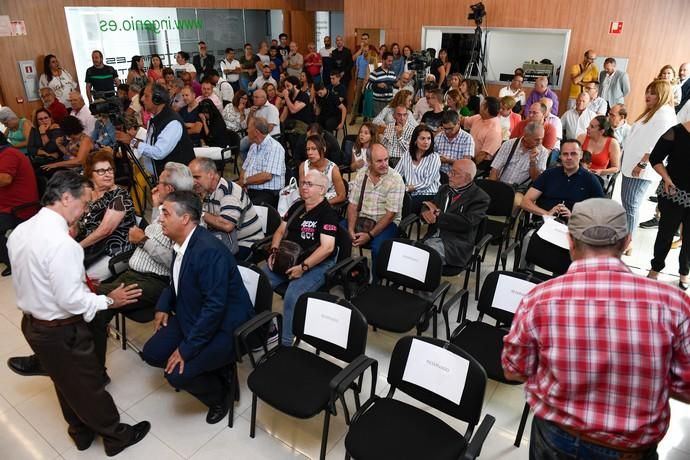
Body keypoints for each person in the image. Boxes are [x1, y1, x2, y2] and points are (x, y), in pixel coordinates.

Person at [502, 197, 690, 459]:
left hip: (556, 435)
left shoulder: (539, 298)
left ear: (569, 241)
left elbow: (514, 370)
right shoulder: (675, 304)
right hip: (629, 449)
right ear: (626, 243)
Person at [7, 170, 150, 456]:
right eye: (83, 204)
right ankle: (116, 437)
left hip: (33, 323)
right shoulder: (63, 245)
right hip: (61, 329)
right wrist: (109, 301)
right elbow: (72, 301)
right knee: (89, 385)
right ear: (65, 197)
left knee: (63, 381)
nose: (84, 211)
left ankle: (80, 433)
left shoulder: (21, 230)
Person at [141, 190, 253, 424]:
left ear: (184, 219)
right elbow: (176, 280)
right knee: (151, 353)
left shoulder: (209, 252)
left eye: (165, 213)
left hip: (223, 327)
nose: (160, 218)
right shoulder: (180, 243)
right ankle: (212, 369)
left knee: (175, 374)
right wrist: (163, 305)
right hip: (192, 314)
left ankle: (222, 395)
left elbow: (214, 309)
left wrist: (186, 349)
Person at [265, 170, 339, 346]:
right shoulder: (297, 206)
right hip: (288, 258)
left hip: (317, 264)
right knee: (260, 281)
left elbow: (327, 248)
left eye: (309, 184)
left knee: (292, 294)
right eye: (303, 183)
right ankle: (263, 328)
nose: (304, 187)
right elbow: (281, 231)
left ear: (322, 190)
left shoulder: (327, 213)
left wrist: (303, 267)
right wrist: (274, 251)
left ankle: (286, 343)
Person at [620, 80, 677, 252]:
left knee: (631, 205)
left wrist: (642, 163)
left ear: (662, 95)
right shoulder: (655, 112)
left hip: (640, 168)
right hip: (632, 165)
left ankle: (628, 242)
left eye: (652, 93)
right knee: (628, 204)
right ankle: (627, 238)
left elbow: (656, 144)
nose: (647, 95)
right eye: (647, 91)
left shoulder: (664, 114)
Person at [77, 150, 136, 281]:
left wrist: (76, 247)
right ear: (90, 175)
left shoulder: (120, 196)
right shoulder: (89, 194)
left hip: (113, 252)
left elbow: (105, 231)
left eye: (110, 170)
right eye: (101, 171)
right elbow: (76, 220)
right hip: (90, 248)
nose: (108, 174)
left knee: (81, 281)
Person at [115, 83, 195, 178]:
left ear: (157, 99)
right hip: (162, 178)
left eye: (146, 96)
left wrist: (132, 141)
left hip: (177, 180)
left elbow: (158, 152)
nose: (142, 99)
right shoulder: (154, 119)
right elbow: (150, 145)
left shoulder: (172, 122)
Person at [420, 159, 489, 267]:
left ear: (467, 178)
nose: (449, 175)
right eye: (450, 171)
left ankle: (425, 283)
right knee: (408, 252)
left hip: (455, 245)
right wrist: (426, 211)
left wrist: (438, 214)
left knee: (424, 257)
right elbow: (429, 204)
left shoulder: (480, 198)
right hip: (431, 237)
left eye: (454, 173)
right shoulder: (444, 189)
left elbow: (466, 223)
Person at [190, 157, 264, 257]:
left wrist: (200, 213)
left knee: (204, 260)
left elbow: (227, 225)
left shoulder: (229, 192)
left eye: (197, 177)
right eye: (191, 178)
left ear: (211, 175)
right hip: (224, 239)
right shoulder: (206, 191)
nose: (193, 182)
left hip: (245, 243)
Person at [346, 143, 405, 267]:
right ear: (369, 162)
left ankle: (375, 281)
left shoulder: (396, 179)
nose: (384, 164)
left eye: (386, 159)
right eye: (379, 161)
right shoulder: (362, 174)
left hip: (386, 222)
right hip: (363, 219)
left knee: (379, 249)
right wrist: (350, 229)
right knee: (338, 234)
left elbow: (390, 215)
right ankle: (347, 273)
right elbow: (352, 205)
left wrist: (369, 235)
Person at [648, 120, 690, 289]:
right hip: (673, 192)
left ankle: (684, 272)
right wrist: (666, 178)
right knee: (666, 234)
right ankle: (655, 268)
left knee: (689, 238)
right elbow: (655, 157)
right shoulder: (677, 131)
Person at [521, 139, 605, 219]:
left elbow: (601, 212)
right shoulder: (548, 174)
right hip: (543, 224)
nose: (569, 158)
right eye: (565, 154)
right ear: (560, 156)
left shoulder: (591, 180)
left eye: (573, 154)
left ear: (581, 155)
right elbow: (525, 201)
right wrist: (547, 214)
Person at [0, 133, 39, 277]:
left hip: (20, 207)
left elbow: (5, 179)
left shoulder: (9, 154)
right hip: (6, 204)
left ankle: (14, 264)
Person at [489, 122, 549, 207]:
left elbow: (537, 180)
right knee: (486, 196)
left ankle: (511, 220)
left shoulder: (543, 152)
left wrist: (533, 162)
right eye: (537, 139)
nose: (540, 142)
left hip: (520, 189)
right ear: (526, 136)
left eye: (541, 139)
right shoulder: (509, 144)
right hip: (501, 184)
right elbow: (495, 170)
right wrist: (491, 187)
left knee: (516, 203)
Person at [239, 116, 285, 207]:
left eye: (248, 128)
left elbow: (266, 176)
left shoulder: (275, 147)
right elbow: (244, 168)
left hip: (268, 192)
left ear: (256, 132)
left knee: (246, 210)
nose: (247, 131)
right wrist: (243, 183)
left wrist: (244, 182)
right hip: (250, 188)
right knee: (231, 203)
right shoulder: (253, 146)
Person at [395, 124, 441, 214]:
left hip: (428, 194)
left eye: (429, 138)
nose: (426, 142)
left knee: (402, 207)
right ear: (415, 140)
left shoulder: (434, 157)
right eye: (422, 138)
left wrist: (408, 188)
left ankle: (399, 227)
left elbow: (427, 183)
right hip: (409, 193)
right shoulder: (407, 154)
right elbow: (396, 174)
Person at [298, 134, 346, 205]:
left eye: (314, 149)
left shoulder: (333, 170)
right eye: (308, 149)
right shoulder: (303, 166)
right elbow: (302, 191)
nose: (310, 153)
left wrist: (321, 205)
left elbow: (341, 196)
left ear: (323, 149)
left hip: (327, 205)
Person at [435, 110, 475, 181]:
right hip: (438, 175)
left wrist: (448, 161)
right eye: (445, 128)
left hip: (458, 177)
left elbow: (466, 165)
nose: (447, 131)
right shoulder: (438, 136)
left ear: (458, 123)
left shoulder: (467, 138)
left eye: (450, 128)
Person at [462, 97, 503, 165]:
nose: (479, 105)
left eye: (482, 104)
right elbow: (462, 121)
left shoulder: (495, 131)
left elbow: (481, 156)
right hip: (468, 154)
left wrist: (469, 165)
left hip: (480, 163)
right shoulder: (479, 117)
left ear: (486, 109)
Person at [368, 51, 397, 119]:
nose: (391, 63)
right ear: (383, 60)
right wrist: (377, 85)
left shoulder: (392, 72)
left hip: (390, 102)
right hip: (378, 103)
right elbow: (368, 86)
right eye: (389, 61)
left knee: (389, 122)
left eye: (392, 61)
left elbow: (395, 84)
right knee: (379, 123)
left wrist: (401, 82)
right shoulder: (375, 72)